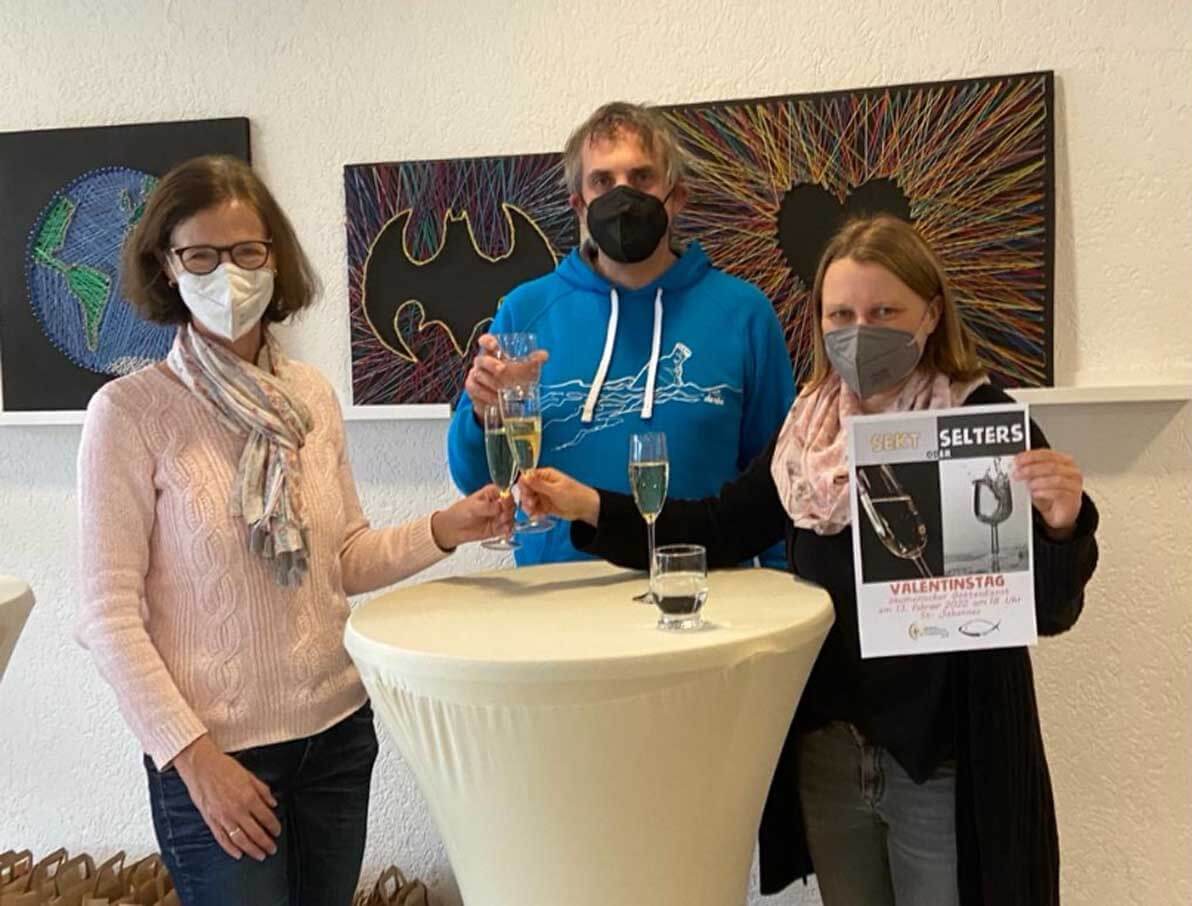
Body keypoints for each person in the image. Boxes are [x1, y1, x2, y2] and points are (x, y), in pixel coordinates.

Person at [518, 214, 1099, 906]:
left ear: (931, 313)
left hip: (946, 762)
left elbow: (1050, 609)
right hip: (829, 753)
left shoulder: (978, 422)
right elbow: (719, 528)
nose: (861, 329)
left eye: (885, 311)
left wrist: (1063, 525)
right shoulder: (808, 431)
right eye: (841, 313)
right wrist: (590, 506)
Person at [76, 155, 513, 906]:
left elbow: (340, 559)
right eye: (202, 256)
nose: (230, 274)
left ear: (276, 257)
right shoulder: (131, 414)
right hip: (219, 758)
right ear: (166, 267)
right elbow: (107, 616)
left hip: (336, 737)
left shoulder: (305, 395)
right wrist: (194, 760)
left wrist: (448, 527)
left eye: (248, 251)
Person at [447, 101, 795, 566]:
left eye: (642, 177)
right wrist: (482, 413)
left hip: (704, 602)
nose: (623, 195)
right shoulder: (525, 313)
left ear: (676, 198)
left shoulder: (744, 313)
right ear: (580, 205)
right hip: (558, 607)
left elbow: (782, 484)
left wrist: (778, 596)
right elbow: (473, 479)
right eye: (603, 181)